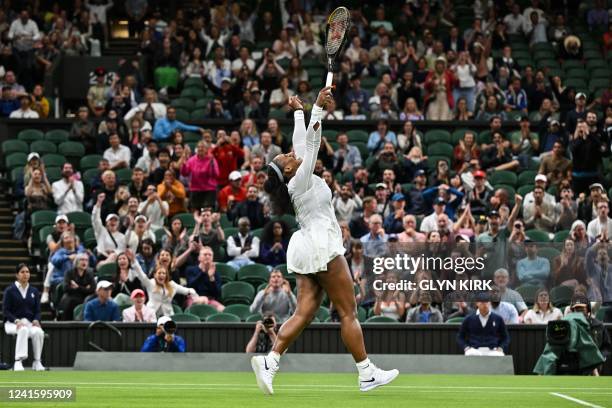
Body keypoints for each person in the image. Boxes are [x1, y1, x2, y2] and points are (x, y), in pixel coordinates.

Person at [252, 89, 398, 395]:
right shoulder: (300, 178)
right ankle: (366, 373)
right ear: (289, 169)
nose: (292, 154)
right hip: (321, 245)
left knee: (304, 313)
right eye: (288, 157)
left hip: (305, 246)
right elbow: (313, 143)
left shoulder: (293, 176)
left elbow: (301, 143)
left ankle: (270, 362)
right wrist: (317, 109)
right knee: (348, 312)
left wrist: (299, 111)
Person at [2, 264, 45, 371]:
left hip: (29, 323)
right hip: (11, 323)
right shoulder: (10, 290)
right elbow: (6, 311)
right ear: (17, 275)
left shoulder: (34, 291)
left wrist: (36, 319)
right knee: (23, 329)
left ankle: (37, 362)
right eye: (22, 272)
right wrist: (16, 320)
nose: (25, 274)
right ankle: (18, 361)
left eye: (27, 272)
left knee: (39, 332)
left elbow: (38, 311)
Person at [57, 253, 95, 320]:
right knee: (71, 301)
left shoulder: (90, 273)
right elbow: (66, 288)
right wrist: (85, 288)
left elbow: (92, 289)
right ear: (76, 261)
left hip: (84, 298)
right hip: (71, 297)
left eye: (86, 260)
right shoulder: (69, 273)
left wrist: (77, 287)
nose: (84, 262)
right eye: (82, 260)